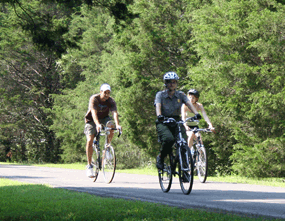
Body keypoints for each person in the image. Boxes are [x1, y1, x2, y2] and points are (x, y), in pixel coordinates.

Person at [154, 72, 201, 170]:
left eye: (174, 82)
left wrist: (196, 113)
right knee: (168, 139)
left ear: (176, 83)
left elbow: (189, 103)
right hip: (163, 121)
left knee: (183, 143)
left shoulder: (180, 94)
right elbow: (158, 105)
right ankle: (161, 158)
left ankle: (184, 171)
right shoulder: (160, 95)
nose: (172, 84)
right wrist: (159, 115)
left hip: (176, 120)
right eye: (169, 82)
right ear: (165, 83)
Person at [84, 83, 122, 178]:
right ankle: (89, 166)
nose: (107, 95)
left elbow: (114, 113)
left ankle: (107, 148)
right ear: (101, 92)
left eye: (108, 93)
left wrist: (117, 125)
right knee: (90, 140)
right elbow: (93, 113)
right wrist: (97, 124)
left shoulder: (111, 101)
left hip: (104, 118)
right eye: (105, 92)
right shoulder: (94, 99)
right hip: (92, 120)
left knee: (111, 125)